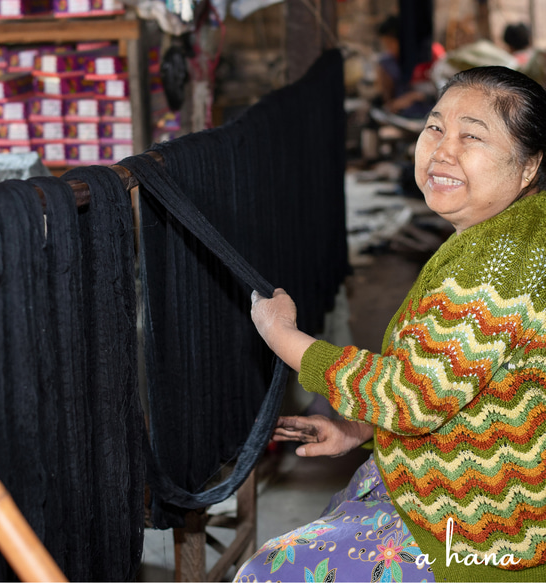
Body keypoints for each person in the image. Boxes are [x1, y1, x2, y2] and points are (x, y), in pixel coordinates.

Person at [235, 66, 546, 582]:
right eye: (434, 127)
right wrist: (357, 428)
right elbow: (455, 384)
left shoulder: (499, 265)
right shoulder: (514, 231)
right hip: (469, 482)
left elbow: (413, 397)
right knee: (357, 488)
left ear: (528, 166)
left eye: (473, 135)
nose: (443, 150)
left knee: (266, 573)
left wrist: (282, 336)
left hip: (480, 536)